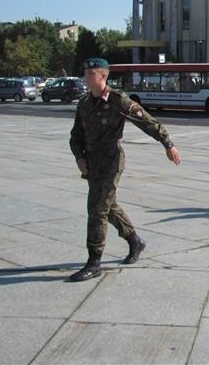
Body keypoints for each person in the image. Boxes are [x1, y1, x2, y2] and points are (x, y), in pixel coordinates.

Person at [68, 58, 182, 282]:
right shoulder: (84, 103)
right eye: (85, 72)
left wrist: (168, 144)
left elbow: (147, 122)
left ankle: (94, 262)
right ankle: (134, 241)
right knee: (108, 207)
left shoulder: (118, 100)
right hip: (92, 163)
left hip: (111, 162)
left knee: (97, 209)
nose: (86, 76)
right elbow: (75, 136)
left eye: (90, 73)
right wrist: (79, 158)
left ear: (103, 76)